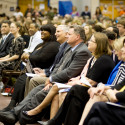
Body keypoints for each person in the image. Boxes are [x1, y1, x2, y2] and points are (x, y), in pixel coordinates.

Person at [0, 25, 91, 125]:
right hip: (59, 80)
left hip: (69, 83)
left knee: (41, 92)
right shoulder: (71, 48)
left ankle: (18, 115)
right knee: (36, 89)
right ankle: (15, 113)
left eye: (69, 34)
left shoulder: (82, 51)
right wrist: (51, 78)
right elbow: (58, 66)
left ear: (77, 37)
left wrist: (51, 79)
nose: (67, 36)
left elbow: (70, 72)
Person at [38, 33, 117, 125]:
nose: (88, 42)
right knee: (66, 94)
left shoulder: (104, 59)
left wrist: (74, 83)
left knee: (72, 90)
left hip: (95, 91)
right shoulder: (94, 58)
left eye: (91, 41)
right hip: (87, 88)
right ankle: (56, 121)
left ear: (98, 44)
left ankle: (55, 120)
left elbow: (92, 81)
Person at [0, 24, 60, 111]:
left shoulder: (53, 45)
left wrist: (28, 57)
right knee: (21, 79)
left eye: (44, 30)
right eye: (41, 30)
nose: (41, 32)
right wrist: (27, 59)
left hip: (43, 71)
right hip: (34, 70)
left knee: (23, 79)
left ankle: (20, 107)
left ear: (51, 33)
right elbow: (33, 57)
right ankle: (13, 105)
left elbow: (42, 58)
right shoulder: (41, 45)